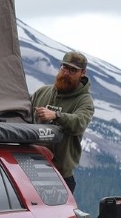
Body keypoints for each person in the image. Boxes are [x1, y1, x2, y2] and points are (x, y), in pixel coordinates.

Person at [31, 50, 95, 192]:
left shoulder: (84, 101)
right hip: (31, 167)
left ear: (82, 73)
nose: (66, 73)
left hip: (59, 174)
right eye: (64, 67)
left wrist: (56, 115)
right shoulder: (43, 92)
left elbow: (79, 123)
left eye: (72, 70)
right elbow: (23, 115)